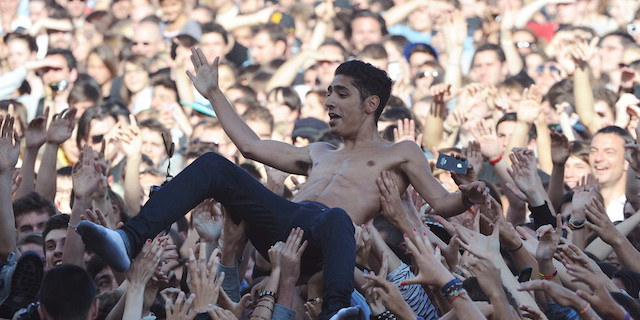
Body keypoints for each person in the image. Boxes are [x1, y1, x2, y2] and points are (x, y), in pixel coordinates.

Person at [76, 52, 489, 319]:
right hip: (282, 228)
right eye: (328, 92)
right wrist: (215, 92)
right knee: (214, 165)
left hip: (328, 242)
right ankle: (128, 238)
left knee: (338, 218)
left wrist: (467, 193)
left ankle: (338, 311)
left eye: (340, 94)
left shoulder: (402, 152)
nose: (328, 101)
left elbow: (441, 202)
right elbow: (251, 146)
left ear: (371, 105)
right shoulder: (320, 152)